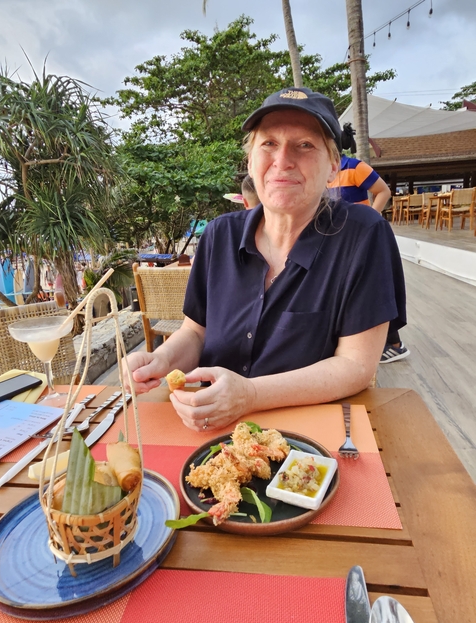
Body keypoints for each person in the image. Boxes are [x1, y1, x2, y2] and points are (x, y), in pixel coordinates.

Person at [123, 86, 406, 431]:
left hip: (310, 438)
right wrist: (160, 360)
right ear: (250, 160)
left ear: (333, 166)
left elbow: (356, 366)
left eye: (304, 145)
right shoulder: (218, 235)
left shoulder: (363, 235)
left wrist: (250, 394)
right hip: (210, 429)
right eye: (268, 143)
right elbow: (196, 333)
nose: (282, 160)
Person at [328, 124, 409, 364]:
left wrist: (370, 221)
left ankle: (395, 345)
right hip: (336, 240)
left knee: (373, 292)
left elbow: (383, 191)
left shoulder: (354, 167)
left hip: (361, 240)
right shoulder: (321, 172)